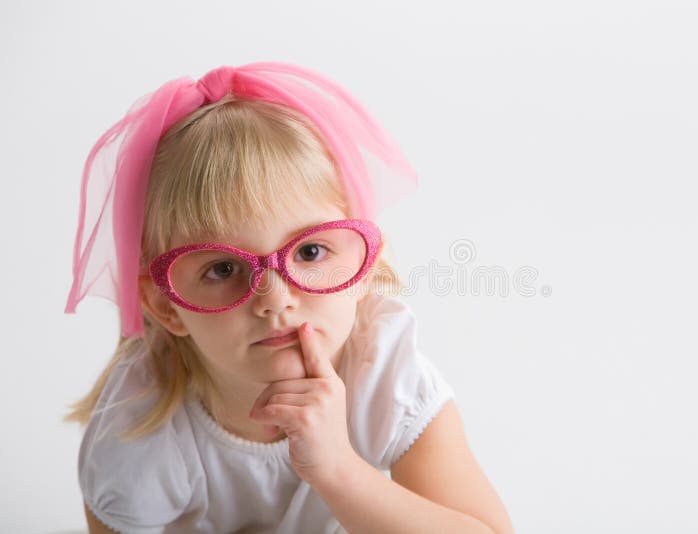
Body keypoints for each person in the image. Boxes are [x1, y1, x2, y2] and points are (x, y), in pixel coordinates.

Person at [63, 62, 514, 534]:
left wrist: (338, 470)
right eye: (222, 268)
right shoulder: (142, 421)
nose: (274, 300)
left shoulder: (383, 375)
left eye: (310, 251)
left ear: (365, 265)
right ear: (164, 304)